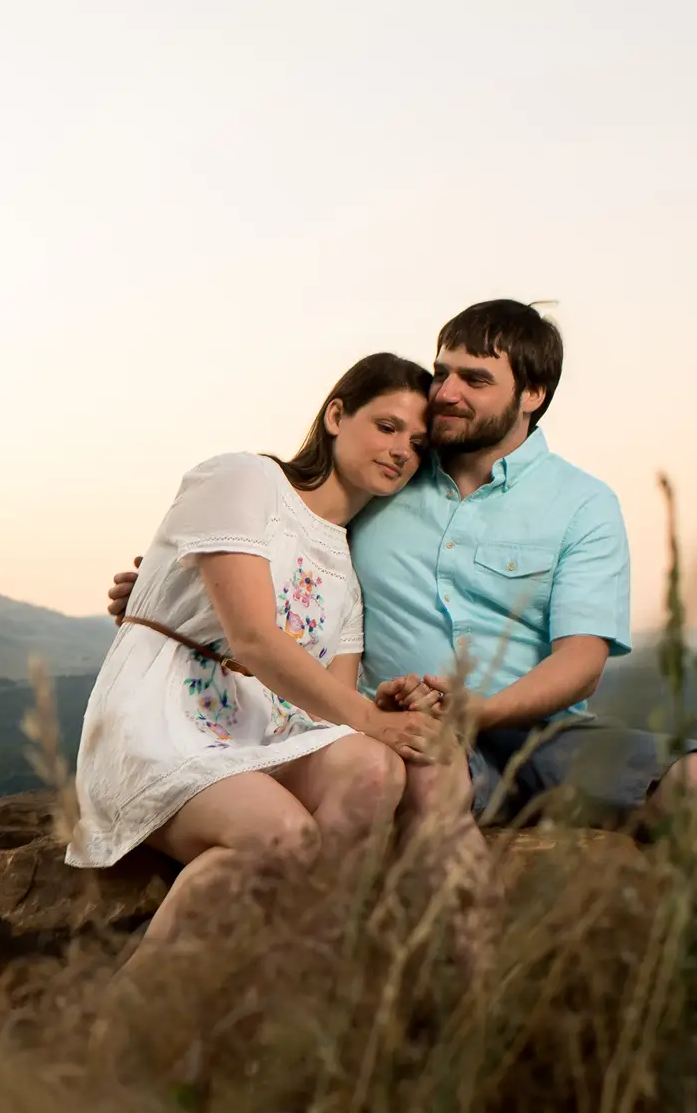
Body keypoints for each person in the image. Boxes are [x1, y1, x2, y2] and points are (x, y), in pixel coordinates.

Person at [107, 301, 697, 828]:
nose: (446, 393)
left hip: (546, 735)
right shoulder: (386, 477)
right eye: (443, 372)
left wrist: (482, 709)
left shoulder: (583, 504)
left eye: (474, 380)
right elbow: (289, 546)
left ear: (532, 394)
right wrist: (182, 589)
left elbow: (582, 662)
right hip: (411, 733)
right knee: (429, 790)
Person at [69, 354, 478, 967]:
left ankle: (299, 975)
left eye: (418, 444)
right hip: (161, 722)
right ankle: (121, 1034)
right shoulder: (243, 480)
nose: (402, 451)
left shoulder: (344, 568)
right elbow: (255, 639)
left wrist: (378, 709)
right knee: (285, 835)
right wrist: (372, 721)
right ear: (336, 415)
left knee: (375, 770)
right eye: (387, 427)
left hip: (257, 733)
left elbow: (326, 711)